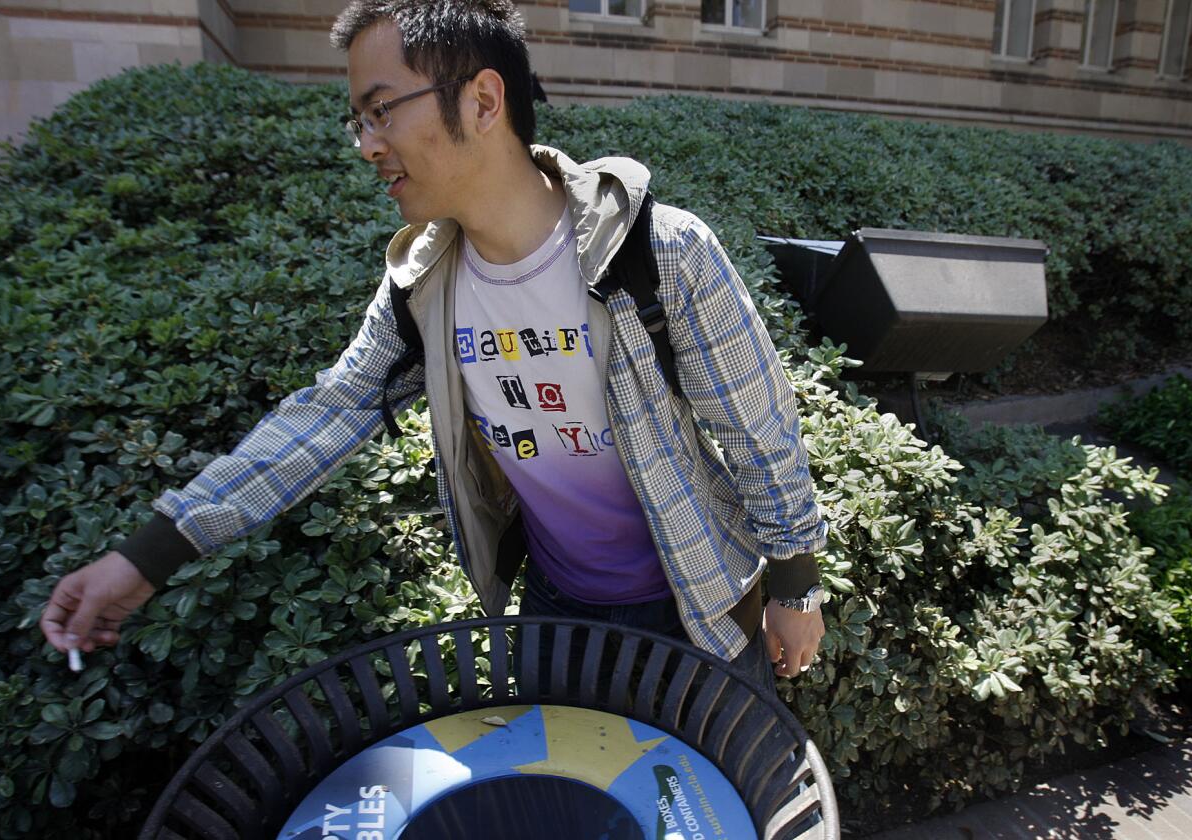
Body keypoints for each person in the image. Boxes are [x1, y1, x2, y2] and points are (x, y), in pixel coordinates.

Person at [40, 0, 828, 691]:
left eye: (381, 110)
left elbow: (758, 430)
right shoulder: (424, 289)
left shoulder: (660, 251)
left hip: (697, 609)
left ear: (484, 100)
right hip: (553, 611)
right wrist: (148, 555)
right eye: (359, 119)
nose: (366, 143)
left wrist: (795, 589)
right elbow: (325, 415)